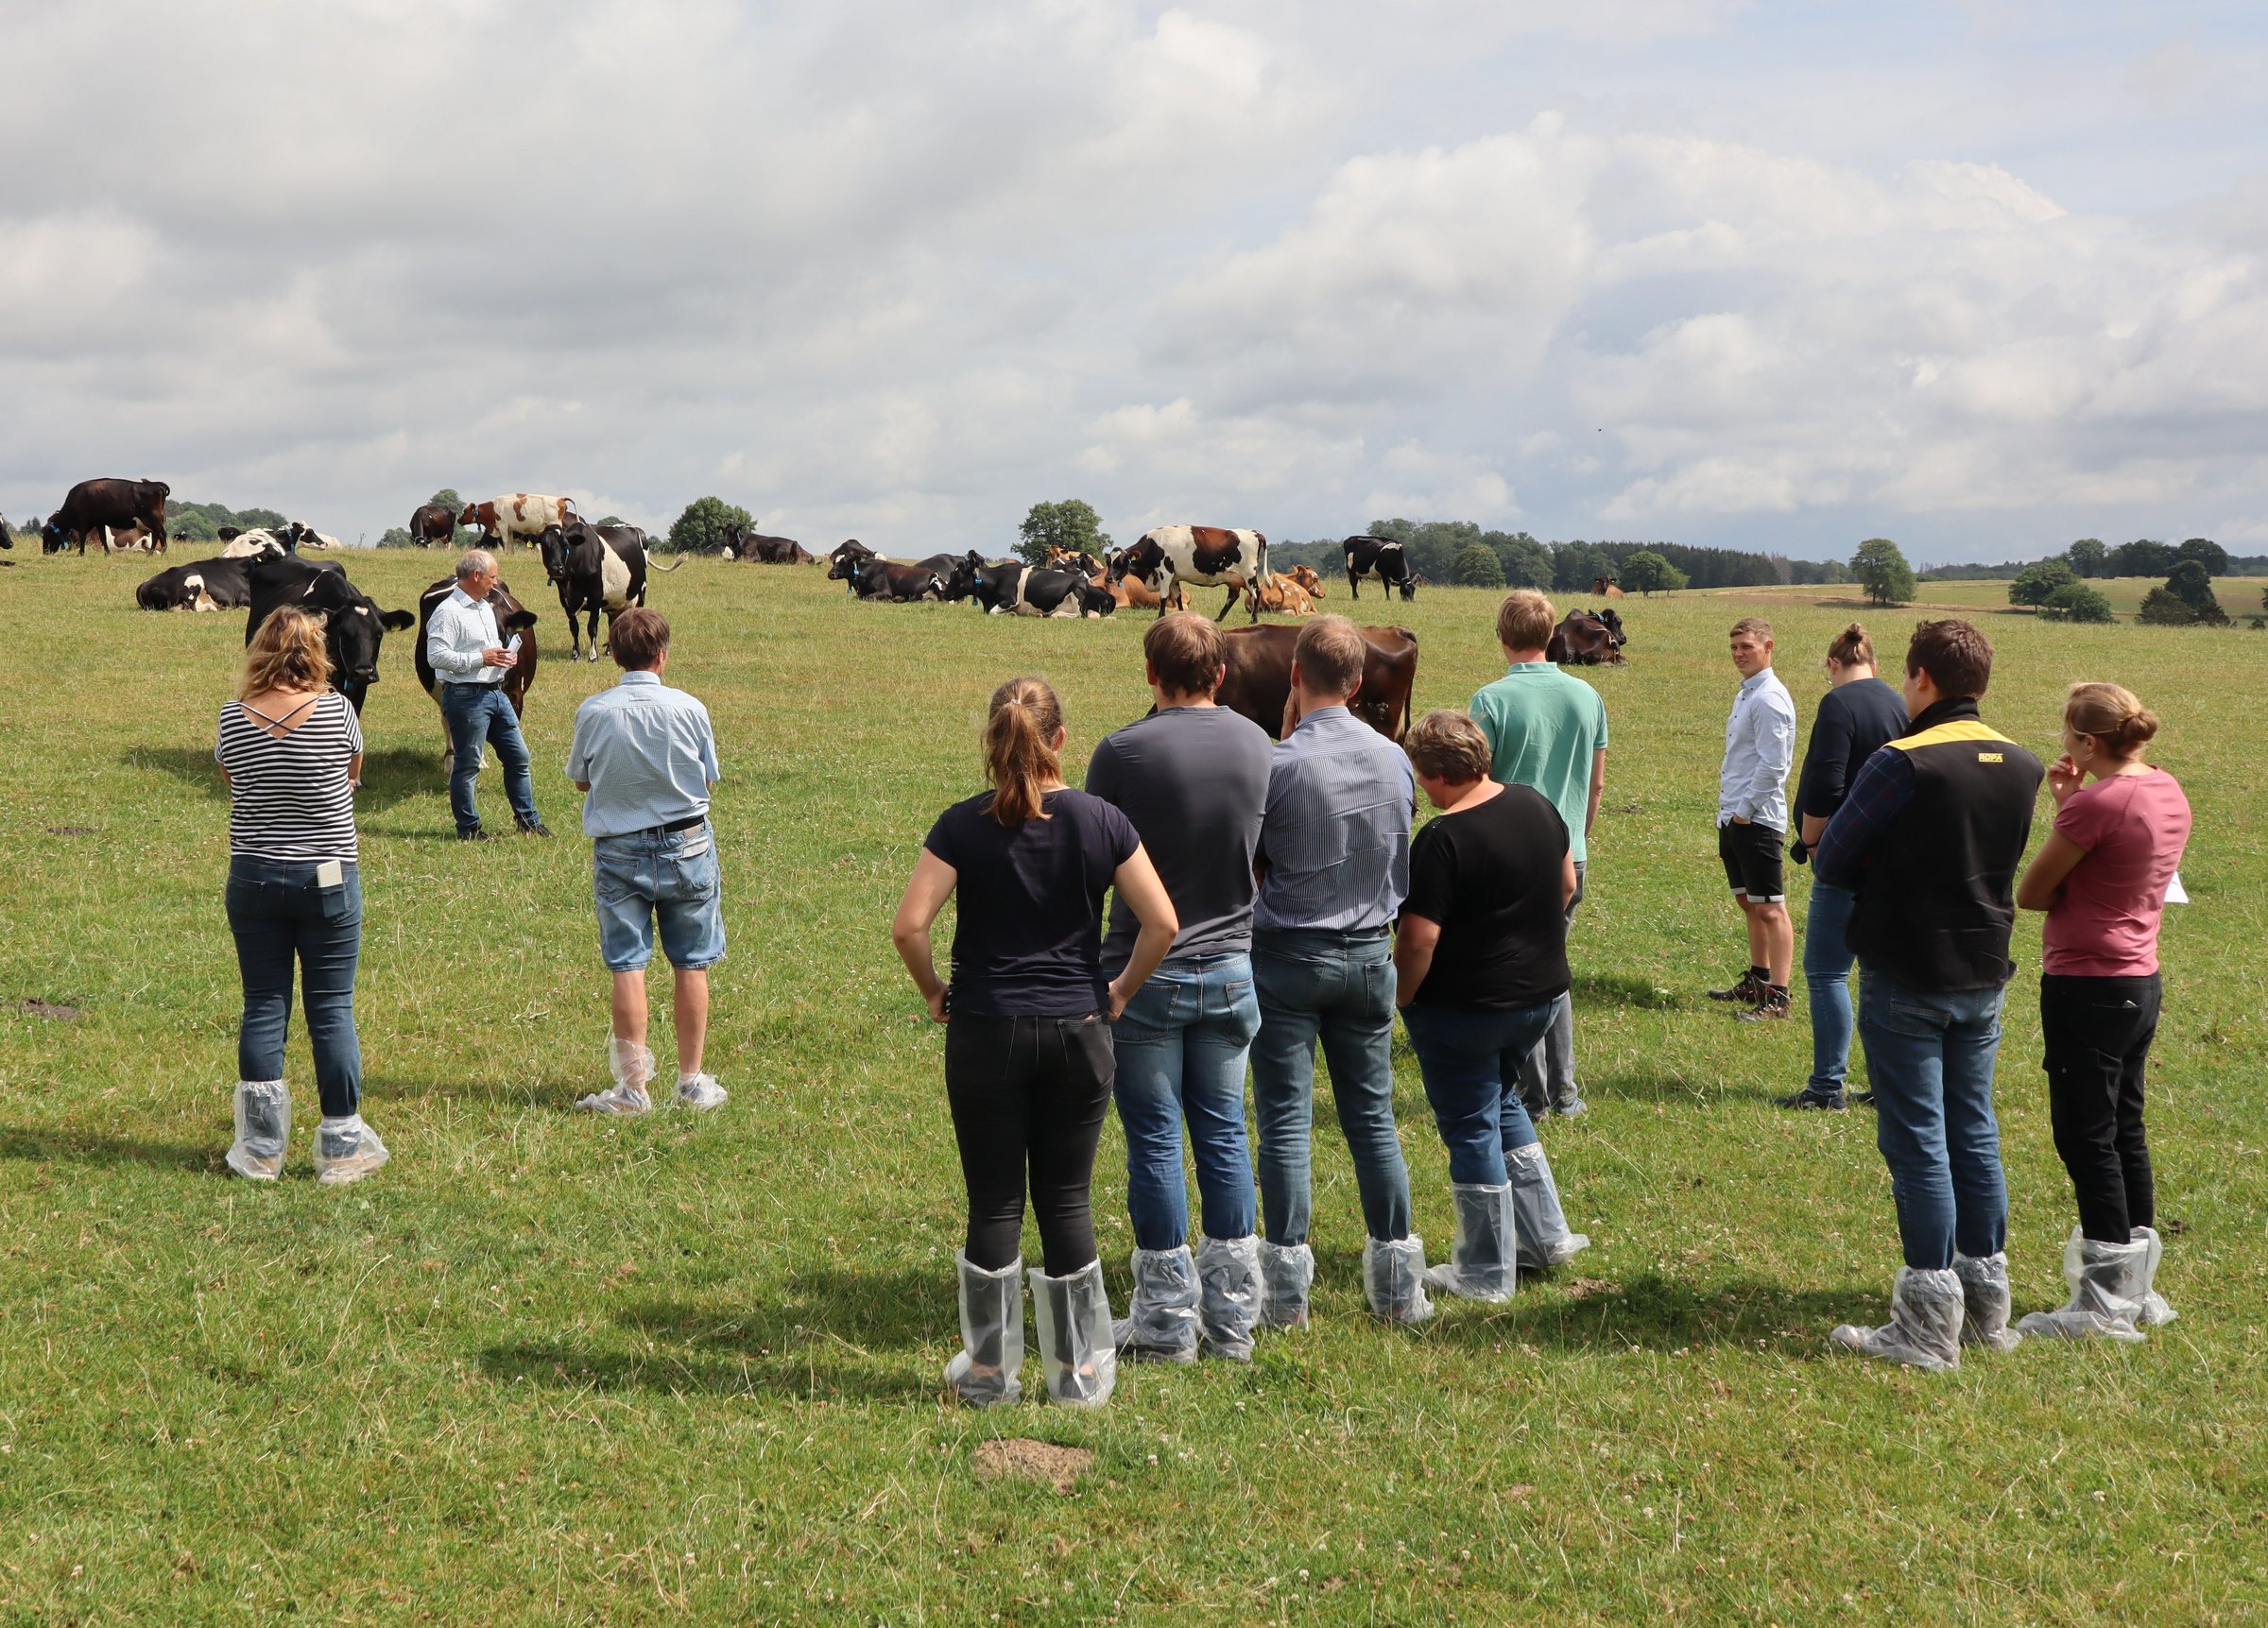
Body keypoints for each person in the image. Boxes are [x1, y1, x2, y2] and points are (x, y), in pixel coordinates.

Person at [891, 677, 1178, 1408]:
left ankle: (989, 1374)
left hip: (986, 1028)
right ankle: (1078, 1375)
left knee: (994, 1203)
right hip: (1078, 1029)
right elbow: (1162, 923)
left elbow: (910, 927)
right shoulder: (1102, 819)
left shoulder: (961, 824)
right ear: (1059, 739)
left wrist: (933, 990)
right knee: (1067, 1200)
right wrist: (1120, 989)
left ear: (993, 738)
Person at [1815, 619, 2043, 1371]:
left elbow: (1832, 856)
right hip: (1985, 967)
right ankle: (1985, 1309)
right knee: (1973, 1130)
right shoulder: (2022, 762)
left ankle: (1924, 1324)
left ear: (1920, 678)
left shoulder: (1901, 760)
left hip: (1907, 967)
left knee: (1917, 1141)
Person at [1085, 616, 1275, 1363]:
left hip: (1145, 968)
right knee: (1224, 1131)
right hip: (1231, 964)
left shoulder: (1122, 751)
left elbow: (1095, 862)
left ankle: (1166, 1321)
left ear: (1149, 673)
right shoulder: (1259, 743)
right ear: (1221, 674)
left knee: (1156, 1138)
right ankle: (1233, 1320)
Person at [1248, 616, 1432, 1328]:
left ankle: (1285, 1293)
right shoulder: (1394, 759)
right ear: (1358, 684)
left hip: (1289, 952)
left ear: (1295, 675)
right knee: (1373, 1118)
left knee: (1285, 1121)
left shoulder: (1278, 763)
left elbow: (1257, 861)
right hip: (1368, 951)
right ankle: (1397, 1284)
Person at [1394, 711, 1590, 1302]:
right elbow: (1567, 886)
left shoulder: (1442, 839)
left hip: (1466, 1009)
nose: (1422, 789)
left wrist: (1402, 996)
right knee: (1501, 1101)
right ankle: (1545, 1235)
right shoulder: (1536, 804)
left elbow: (1418, 939)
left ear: (1438, 773)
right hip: (1540, 998)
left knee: (1470, 1126)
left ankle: (1483, 1271)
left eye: (1421, 776)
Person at [2013, 683, 2190, 1340]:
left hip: (2087, 983)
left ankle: (2104, 1303)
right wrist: (2073, 801)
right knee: (2123, 1129)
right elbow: (2116, 862)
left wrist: (2073, 807)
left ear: (2089, 742)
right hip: (2140, 979)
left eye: (2067, 735)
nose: (2062, 744)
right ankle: (2137, 1285)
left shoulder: (2099, 803)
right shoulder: (2166, 788)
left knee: (2085, 1136)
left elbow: (2033, 892)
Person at [215, 607, 387, 1184]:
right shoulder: (338, 710)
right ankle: (340, 1146)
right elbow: (353, 771)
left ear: (260, 650)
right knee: (332, 1009)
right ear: (317, 653)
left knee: (264, 1004)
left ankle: (261, 1150)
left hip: (255, 874)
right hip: (328, 875)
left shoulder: (233, 716)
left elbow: (232, 780)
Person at [565, 608, 730, 1115]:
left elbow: (581, 780)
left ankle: (633, 1090)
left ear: (615, 655)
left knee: (628, 964)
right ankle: (691, 1081)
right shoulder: (689, 708)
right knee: (691, 962)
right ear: (662, 655)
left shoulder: (594, 711)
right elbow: (708, 776)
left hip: (619, 847)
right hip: (687, 845)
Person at [1468, 589, 1608, 1118]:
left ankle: (1533, 1093)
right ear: (1552, 635)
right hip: (1570, 852)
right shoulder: (1587, 696)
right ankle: (1563, 1090)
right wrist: (1577, 838)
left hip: (1508, 855)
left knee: (1515, 972)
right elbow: (1596, 784)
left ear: (1502, 636)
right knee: (1552, 968)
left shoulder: (1491, 700)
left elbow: (1476, 784)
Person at [1780, 624, 1908, 1108]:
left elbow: (1826, 782)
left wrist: (1814, 842)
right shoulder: (1899, 703)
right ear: (1874, 664)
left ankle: (1826, 1086)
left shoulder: (1838, 703)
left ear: (1833, 665)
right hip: (1890, 858)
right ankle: (1885, 1086)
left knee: (1827, 971)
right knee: (1879, 973)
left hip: (1847, 856)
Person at [426, 548, 550, 842]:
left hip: (496, 694)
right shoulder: (447, 612)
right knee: (468, 764)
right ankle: (468, 829)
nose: (496, 582)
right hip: (466, 697)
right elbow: (436, 656)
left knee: (519, 757)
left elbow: (489, 648)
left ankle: (528, 822)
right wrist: (481, 659)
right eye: (492, 577)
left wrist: (506, 656)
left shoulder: (484, 607)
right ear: (476, 575)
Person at [1708, 617, 1797, 1017]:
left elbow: (1774, 765)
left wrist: (1744, 813)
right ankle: (1759, 979)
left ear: (1768, 646)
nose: (1739, 654)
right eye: (1734, 647)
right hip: (1735, 816)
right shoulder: (1748, 693)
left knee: (1771, 907)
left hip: (1756, 818)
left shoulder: (1769, 698)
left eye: (1746, 646)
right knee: (1749, 901)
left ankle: (1779, 995)